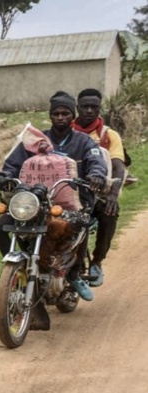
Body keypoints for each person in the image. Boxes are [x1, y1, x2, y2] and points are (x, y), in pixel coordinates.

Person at [0, 91, 107, 302]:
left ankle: (74, 273)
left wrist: (96, 176)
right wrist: (4, 176)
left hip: (71, 204)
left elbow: (96, 161)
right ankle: (18, 269)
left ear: (73, 116)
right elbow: (12, 163)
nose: (60, 117)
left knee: (81, 223)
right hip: (33, 204)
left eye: (65, 113)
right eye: (56, 114)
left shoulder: (84, 142)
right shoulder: (35, 140)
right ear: (50, 115)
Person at [72, 88, 127, 287]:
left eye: (93, 107)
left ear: (99, 109)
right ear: (77, 108)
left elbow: (118, 166)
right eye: (84, 107)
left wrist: (113, 194)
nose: (88, 111)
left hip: (94, 193)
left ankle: (96, 261)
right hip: (64, 191)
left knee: (109, 212)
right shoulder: (64, 130)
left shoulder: (108, 135)